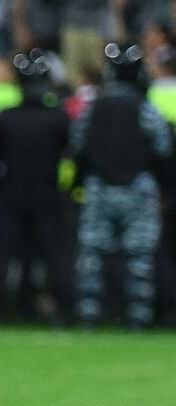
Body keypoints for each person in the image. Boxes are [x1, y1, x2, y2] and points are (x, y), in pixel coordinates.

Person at [73, 43, 173, 329]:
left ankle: (88, 315)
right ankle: (138, 317)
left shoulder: (93, 108)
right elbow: (163, 149)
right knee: (139, 256)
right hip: (138, 188)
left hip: (98, 188)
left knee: (92, 254)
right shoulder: (146, 109)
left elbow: (78, 146)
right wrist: (163, 188)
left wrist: (80, 183)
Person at [0, 49, 73, 326]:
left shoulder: (6, 118)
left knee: (2, 252)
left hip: (11, 192)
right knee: (54, 254)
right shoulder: (57, 117)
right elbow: (71, 155)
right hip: (46, 192)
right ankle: (62, 312)